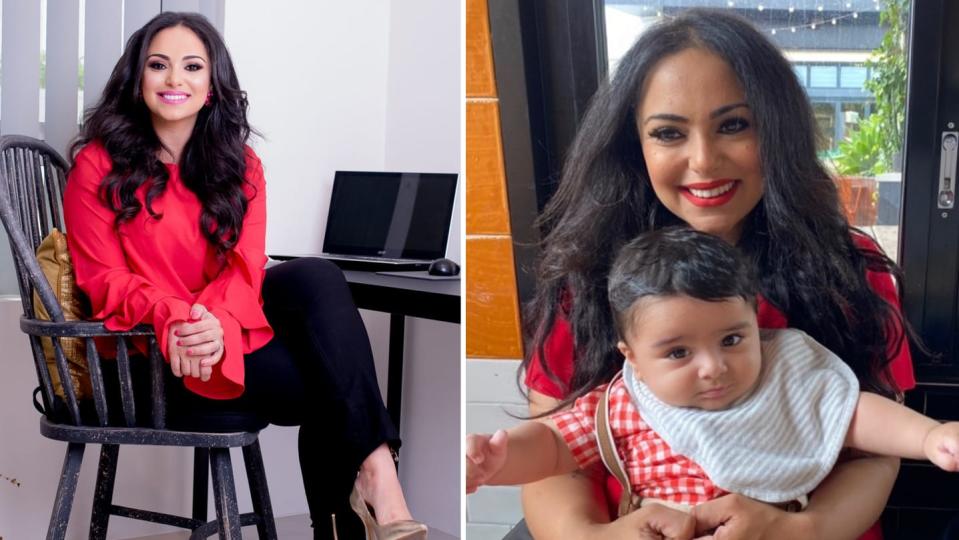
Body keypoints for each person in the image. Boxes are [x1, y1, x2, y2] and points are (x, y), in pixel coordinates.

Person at [517, 8, 918, 540]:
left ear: (777, 131)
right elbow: (557, 456)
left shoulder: (850, 268)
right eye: (668, 133)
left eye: (733, 125)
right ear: (635, 147)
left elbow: (873, 454)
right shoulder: (588, 275)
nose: (703, 161)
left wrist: (799, 530)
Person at [62, 12, 426, 540]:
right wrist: (182, 318)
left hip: (221, 336)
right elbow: (104, 280)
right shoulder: (97, 167)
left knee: (316, 278)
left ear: (211, 87)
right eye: (158, 66)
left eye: (192, 66)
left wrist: (213, 319)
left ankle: (375, 479)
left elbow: (245, 266)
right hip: (154, 359)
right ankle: (373, 488)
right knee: (333, 379)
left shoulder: (241, 165)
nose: (173, 80)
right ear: (137, 80)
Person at [469, 228, 958, 520]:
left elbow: (853, 415)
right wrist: (498, 460)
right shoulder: (623, 403)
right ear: (632, 359)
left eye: (731, 339)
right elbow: (555, 445)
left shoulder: (782, 375)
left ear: (756, 324)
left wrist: (931, 437)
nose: (714, 366)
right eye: (678, 352)